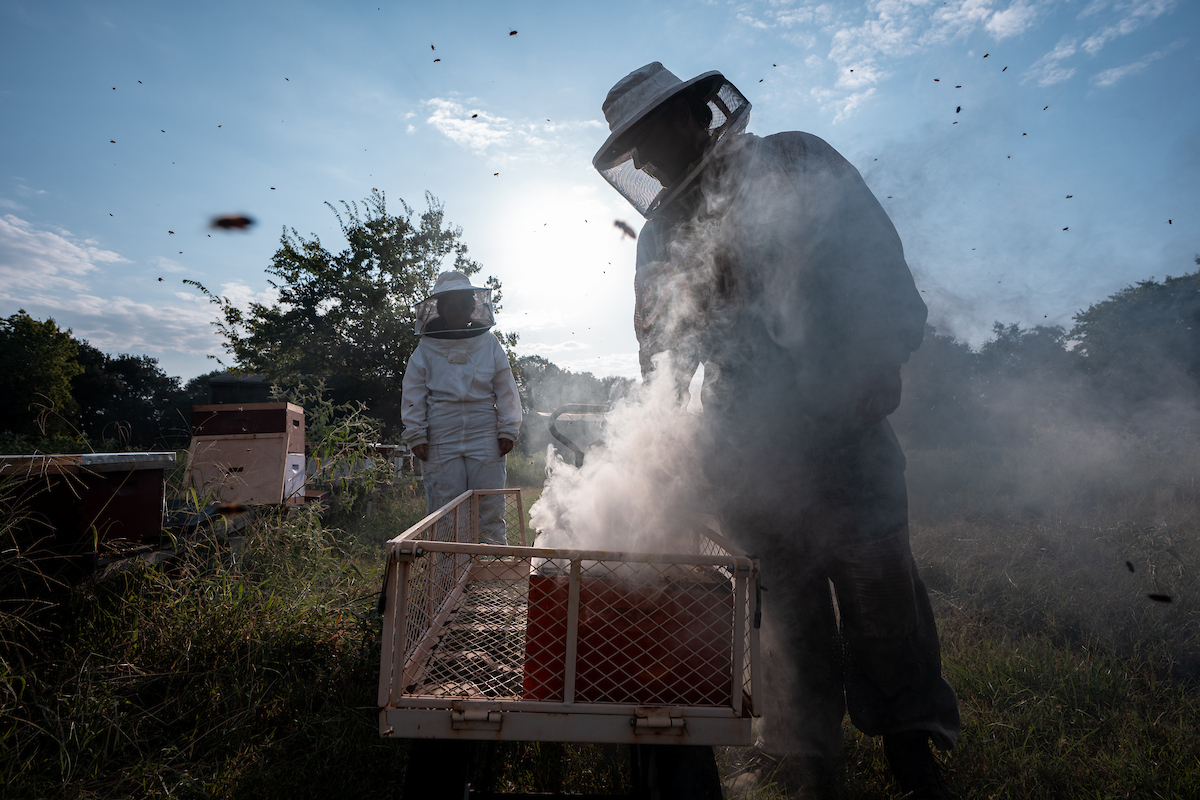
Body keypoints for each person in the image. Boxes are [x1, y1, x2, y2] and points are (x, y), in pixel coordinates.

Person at [593, 63, 961, 798]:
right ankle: (809, 756)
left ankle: (910, 746)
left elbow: (875, 258)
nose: (642, 160)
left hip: (844, 414)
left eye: (647, 138)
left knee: (881, 592)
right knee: (784, 607)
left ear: (694, 113)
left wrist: (885, 356)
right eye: (629, 150)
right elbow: (660, 348)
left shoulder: (797, 159)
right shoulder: (662, 229)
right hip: (746, 441)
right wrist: (660, 438)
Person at [402, 271, 522, 545]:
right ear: (440, 309)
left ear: (472, 306)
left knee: (489, 508)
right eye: (450, 303)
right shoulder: (425, 348)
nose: (456, 308)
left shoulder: (489, 343)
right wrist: (416, 433)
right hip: (441, 434)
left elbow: (505, 386)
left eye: (462, 302)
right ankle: (447, 584)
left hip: (485, 432)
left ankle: (489, 582)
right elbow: (414, 392)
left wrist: (508, 428)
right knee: (446, 512)